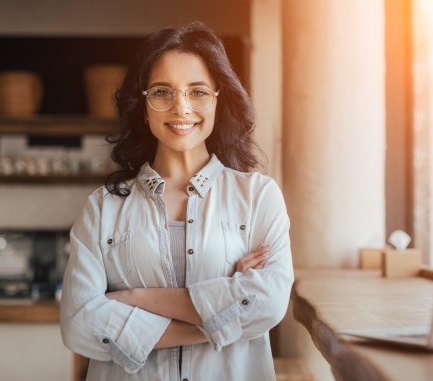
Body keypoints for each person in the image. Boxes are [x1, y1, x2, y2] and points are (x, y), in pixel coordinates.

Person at [60, 22, 293, 381]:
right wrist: (222, 316)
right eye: (162, 92)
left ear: (219, 99)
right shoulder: (102, 208)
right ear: (143, 105)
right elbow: (78, 325)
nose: (180, 108)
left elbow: (270, 304)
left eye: (197, 91)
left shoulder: (258, 196)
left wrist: (134, 298)